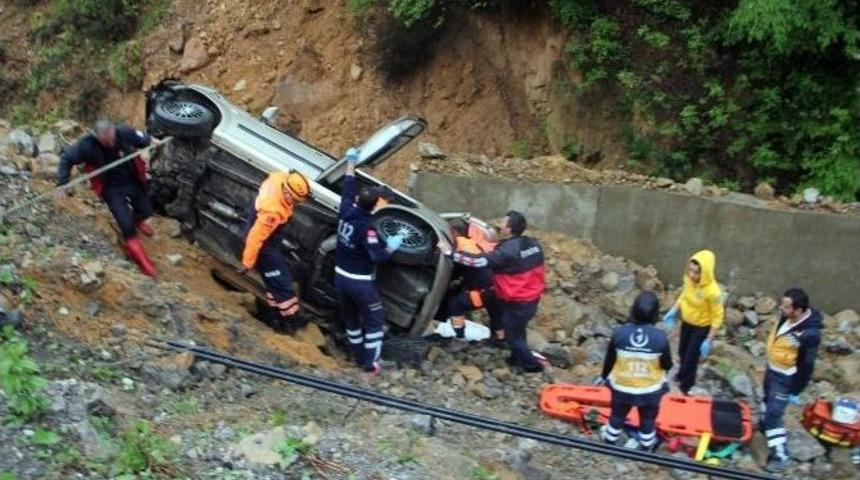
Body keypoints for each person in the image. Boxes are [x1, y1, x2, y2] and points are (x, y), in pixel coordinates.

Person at [438, 210, 546, 373]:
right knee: (512, 325)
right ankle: (510, 349)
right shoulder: (533, 244)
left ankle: (533, 367)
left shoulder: (505, 250)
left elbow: (479, 261)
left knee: (458, 305)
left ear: (509, 229)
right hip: (527, 296)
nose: (500, 223)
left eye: (503, 221)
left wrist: (449, 253)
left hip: (513, 299)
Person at [56, 120, 162, 277]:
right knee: (126, 226)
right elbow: (66, 159)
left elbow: (141, 138)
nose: (111, 143)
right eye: (107, 141)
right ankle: (144, 264)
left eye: (112, 138)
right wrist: (62, 184)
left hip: (131, 178)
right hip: (111, 188)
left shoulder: (123, 132)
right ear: (98, 137)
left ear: (114, 130)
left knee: (146, 210)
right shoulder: (87, 145)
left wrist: (151, 141)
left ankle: (138, 220)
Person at [335, 148, 403, 375]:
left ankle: (357, 355)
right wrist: (392, 245)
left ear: (357, 200)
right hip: (359, 282)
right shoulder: (368, 228)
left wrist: (351, 162)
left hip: (340, 276)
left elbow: (347, 184)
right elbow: (377, 257)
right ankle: (370, 365)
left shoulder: (346, 210)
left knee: (351, 317)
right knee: (375, 319)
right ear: (374, 206)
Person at [598, 291, 672, 452]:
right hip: (649, 390)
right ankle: (646, 446)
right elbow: (667, 365)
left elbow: (610, 360)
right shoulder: (661, 338)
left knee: (617, 415)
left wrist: (603, 377)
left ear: (633, 310)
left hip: (622, 388)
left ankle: (609, 440)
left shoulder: (619, 333)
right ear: (655, 313)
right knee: (648, 419)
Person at [239, 169, 311, 331]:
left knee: (273, 282)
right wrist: (247, 262)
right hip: (264, 246)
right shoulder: (273, 212)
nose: (296, 204)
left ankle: (276, 318)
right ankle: (292, 320)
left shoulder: (278, 179)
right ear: (287, 191)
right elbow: (255, 237)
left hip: (267, 239)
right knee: (282, 282)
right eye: (295, 200)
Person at [760, 287, 822, 472]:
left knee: (774, 414)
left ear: (799, 310)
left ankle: (780, 455)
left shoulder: (809, 335)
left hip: (785, 378)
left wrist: (796, 390)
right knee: (765, 400)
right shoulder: (786, 318)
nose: (781, 308)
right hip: (772, 370)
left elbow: (806, 365)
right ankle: (766, 426)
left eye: (786, 307)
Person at [662, 250, 724, 395]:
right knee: (682, 351)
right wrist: (674, 310)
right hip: (687, 322)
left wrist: (709, 339)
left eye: (696, 272)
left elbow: (717, 316)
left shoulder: (713, 292)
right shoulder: (689, 280)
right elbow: (684, 295)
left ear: (705, 272)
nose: (692, 275)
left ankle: (687, 385)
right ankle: (682, 374)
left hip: (701, 327)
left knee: (691, 357)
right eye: (690, 270)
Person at [438, 219, 499, 341]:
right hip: (494, 287)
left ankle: (460, 338)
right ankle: (498, 339)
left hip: (484, 291)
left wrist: (448, 252)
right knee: (496, 316)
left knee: (455, 305)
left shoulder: (463, 246)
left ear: (454, 232)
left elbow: (467, 262)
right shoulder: (472, 242)